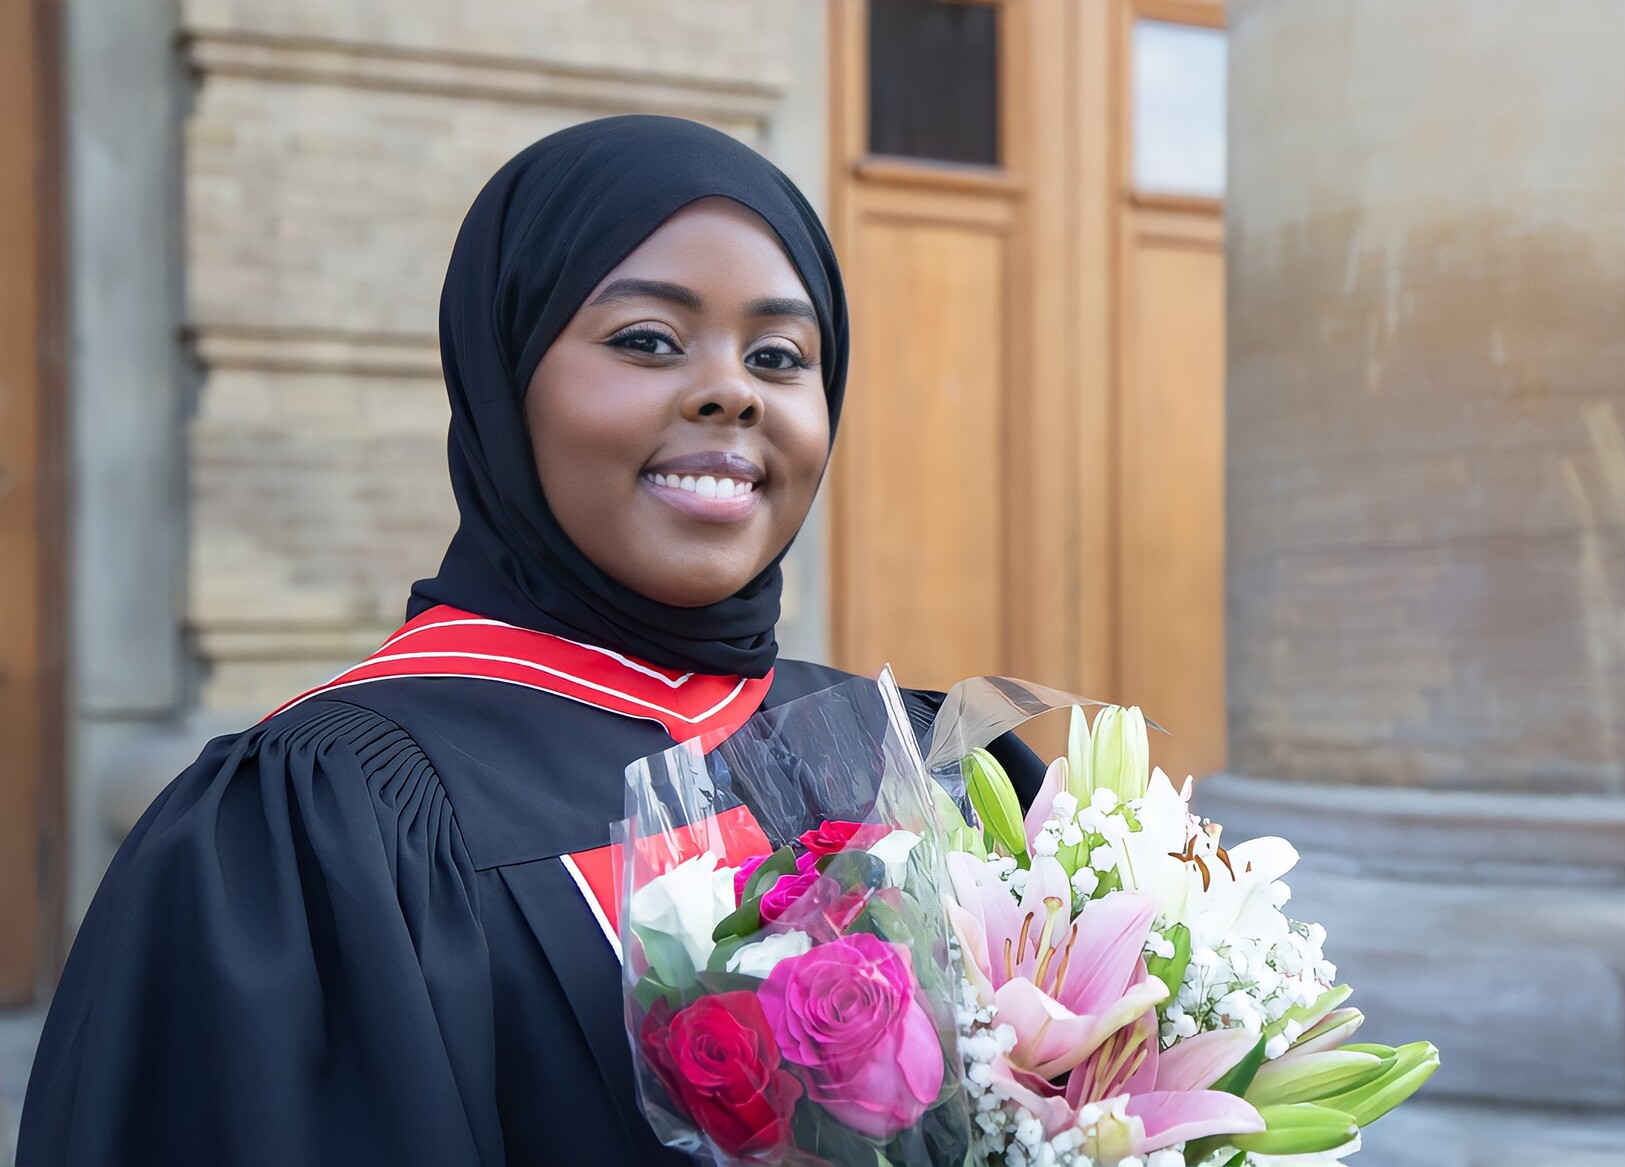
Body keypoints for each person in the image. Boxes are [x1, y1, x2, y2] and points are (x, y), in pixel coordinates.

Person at [18, 116, 1041, 1166]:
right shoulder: (320, 826)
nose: (732, 389)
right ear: (507, 377)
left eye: (780, 356)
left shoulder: (914, 755)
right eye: (647, 339)